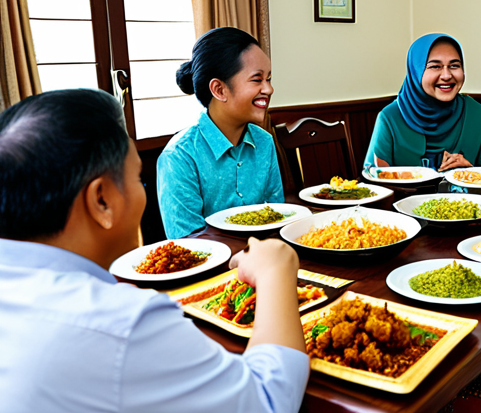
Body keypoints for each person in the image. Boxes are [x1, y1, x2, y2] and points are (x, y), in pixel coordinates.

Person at [0, 89, 309, 413]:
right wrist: (275, 272)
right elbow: (268, 401)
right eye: (137, 178)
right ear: (101, 200)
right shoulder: (125, 323)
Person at [158, 27, 284, 239]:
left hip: (265, 261)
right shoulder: (179, 156)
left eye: (269, 79)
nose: (269, 89)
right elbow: (188, 242)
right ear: (219, 89)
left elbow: (279, 216)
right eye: (257, 79)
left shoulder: (265, 142)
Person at [364, 33, 481, 171]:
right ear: (416, 71)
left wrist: (470, 173)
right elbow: (373, 177)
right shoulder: (390, 117)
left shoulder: (479, 116)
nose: (446, 76)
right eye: (435, 66)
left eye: (454, 66)